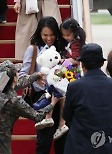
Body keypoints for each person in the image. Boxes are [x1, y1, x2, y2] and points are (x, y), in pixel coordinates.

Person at [62, 43, 112, 154]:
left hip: (79, 145)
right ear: (102, 63)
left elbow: (67, 115)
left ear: (82, 64)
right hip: (107, 147)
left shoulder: (75, 86)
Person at [19, 16, 62, 154]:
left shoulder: (61, 49)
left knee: (62, 137)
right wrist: (35, 78)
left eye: (52, 35)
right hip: (41, 97)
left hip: (61, 98)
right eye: (45, 35)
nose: (49, 38)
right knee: (44, 138)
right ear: (39, 34)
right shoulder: (33, 50)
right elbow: (22, 75)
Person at [0, 60, 59, 154]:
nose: (19, 75)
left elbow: (21, 83)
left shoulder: (3, 86)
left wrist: (38, 75)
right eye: (17, 73)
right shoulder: (14, 101)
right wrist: (52, 104)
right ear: (14, 78)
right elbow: (37, 116)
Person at [53, 18, 86, 140]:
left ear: (74, 33)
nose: (65, 37)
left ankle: (59, 122)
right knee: (56, 87)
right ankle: (57, 121)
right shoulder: (71, 42)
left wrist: (63, 62)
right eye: (63, 35)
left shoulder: (76, 43)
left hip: (72, 71)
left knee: (55, 84)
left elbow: (75, 60)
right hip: (70, 70)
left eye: (68, 35)